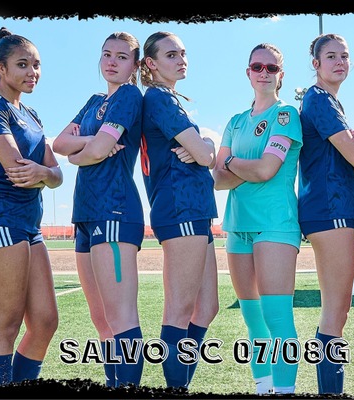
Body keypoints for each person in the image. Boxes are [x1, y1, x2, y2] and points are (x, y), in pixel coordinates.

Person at [0, 27, 63, 386]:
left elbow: (56, 174)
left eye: (36, 65)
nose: (32, 72)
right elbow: (18, 170)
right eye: (22, 64)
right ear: (0, 67)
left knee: (46, 322)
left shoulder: (32, 114)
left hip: (28, 223)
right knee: (6, 324)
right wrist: (43, 173)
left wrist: (45, 173)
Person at [51, 32, 144, 389]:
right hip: (85, 214)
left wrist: (82, 153)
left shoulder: (129, 96)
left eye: (122, 56)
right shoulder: (93, 101)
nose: (112, 61)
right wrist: (90, 143)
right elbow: (60, 143)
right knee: (101, 318)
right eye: (107, 54)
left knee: (121, 317)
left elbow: (91, 153)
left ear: (135, 65)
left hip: (115, 210)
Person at [213, 43, 304, 395]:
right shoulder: (235, 122)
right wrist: (240, 169)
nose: (264, 73)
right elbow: (218, 180)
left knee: (277, 318)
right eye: (257, 67)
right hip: (238, 226)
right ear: (248, 72)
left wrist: (231, 163)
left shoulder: (286, 115)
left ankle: (285, 391)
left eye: (271, 67)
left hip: (275, 224)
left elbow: (266, 169)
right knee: (253, 319)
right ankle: (264, 389)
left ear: (281, 75)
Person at [138, 31, 220, 390]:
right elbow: (204, 156)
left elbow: (205, 151)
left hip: (196, 209)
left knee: (207, 307)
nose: (181, 59)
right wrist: (204, 147)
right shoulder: (159, 98)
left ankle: (180, 382)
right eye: (171, 55)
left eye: (183, 53)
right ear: (151, 63)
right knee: (179, 310)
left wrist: (205, 143)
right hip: (180, 206)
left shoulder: (170, 98)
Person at [295, 33, 354, 395]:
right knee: (335, 312)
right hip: (330, 209)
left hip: (333, 209)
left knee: (337, 311)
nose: (340, 62)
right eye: (331, 56)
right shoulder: (319, 99)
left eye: (345, 56)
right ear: (316, 64)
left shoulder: (328, 101)